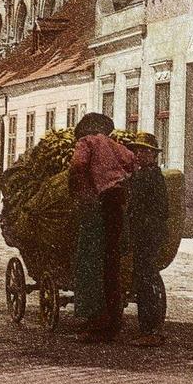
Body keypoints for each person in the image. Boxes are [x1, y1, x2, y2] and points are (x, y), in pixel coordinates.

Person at [67, 112, 136, 343]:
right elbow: (131, 161)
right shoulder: (114, 144)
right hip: (118, 201)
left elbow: (77, 166)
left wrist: (80, 190)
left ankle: (96, 320)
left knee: (90, 259)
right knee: (112, 262)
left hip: (100, 204)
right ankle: (113, 318)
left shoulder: (86, 143)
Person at [124, 131, 168, 347]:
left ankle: (150, 331)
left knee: (145, 280)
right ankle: (151, 329)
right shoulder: (147, 175)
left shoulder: (148, 177)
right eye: (137, 150)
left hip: (147, 234)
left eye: (144, 151)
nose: (139, 154)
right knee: (146, 279)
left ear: (153, 155)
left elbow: (147, 208)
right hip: (148, 233)